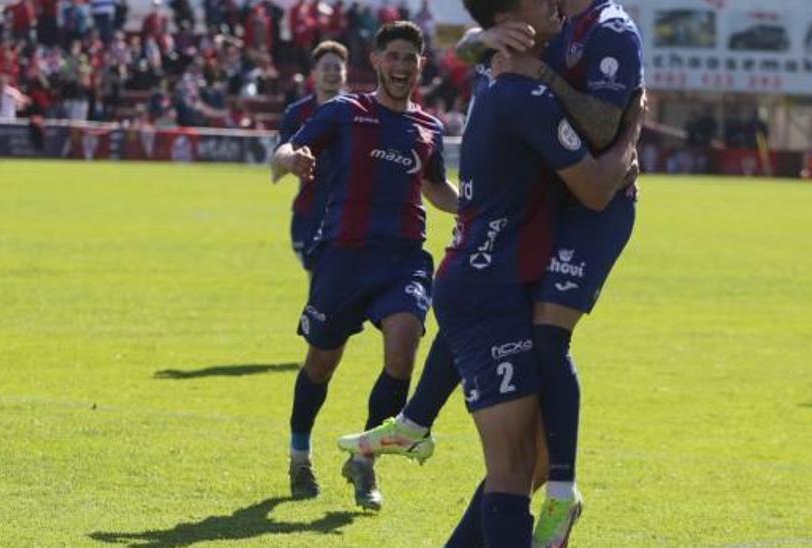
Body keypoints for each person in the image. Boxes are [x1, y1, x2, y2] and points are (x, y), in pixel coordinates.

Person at [337, 0, 643, 545]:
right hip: (491, 286)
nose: (554, 7)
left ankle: (415, 425)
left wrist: (487, 39)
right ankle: (555, 493)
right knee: (515, 465)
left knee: (523, 459)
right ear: (516, 22)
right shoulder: (525, 95)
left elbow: (468, 47)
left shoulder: (501, 76)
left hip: (481, 276)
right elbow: (597, 187)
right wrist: (631, 133)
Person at [270, 21, 459, 511]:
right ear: (376, 61)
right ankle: (298, 453)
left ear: (420, 66)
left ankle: (366, 462)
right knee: (321, 362)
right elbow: (290, 146)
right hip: (344, 256)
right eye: (392, 57)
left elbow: (437, 188)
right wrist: (293, 159)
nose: (400, 67)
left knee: (402, 350)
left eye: (409, 59)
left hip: (403, 259)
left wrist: (478, 206)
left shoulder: (429, 127)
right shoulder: (345, 111)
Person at [271, 40, 348, 272]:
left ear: (346, 73)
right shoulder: (297, 113)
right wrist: (289, 162)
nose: (332, 73)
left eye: (338, 67)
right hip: (310, 210)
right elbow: (279, 159)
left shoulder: (361, 112)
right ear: (313, 73)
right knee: (319, 282)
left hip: (350, 209)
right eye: (326, 67)